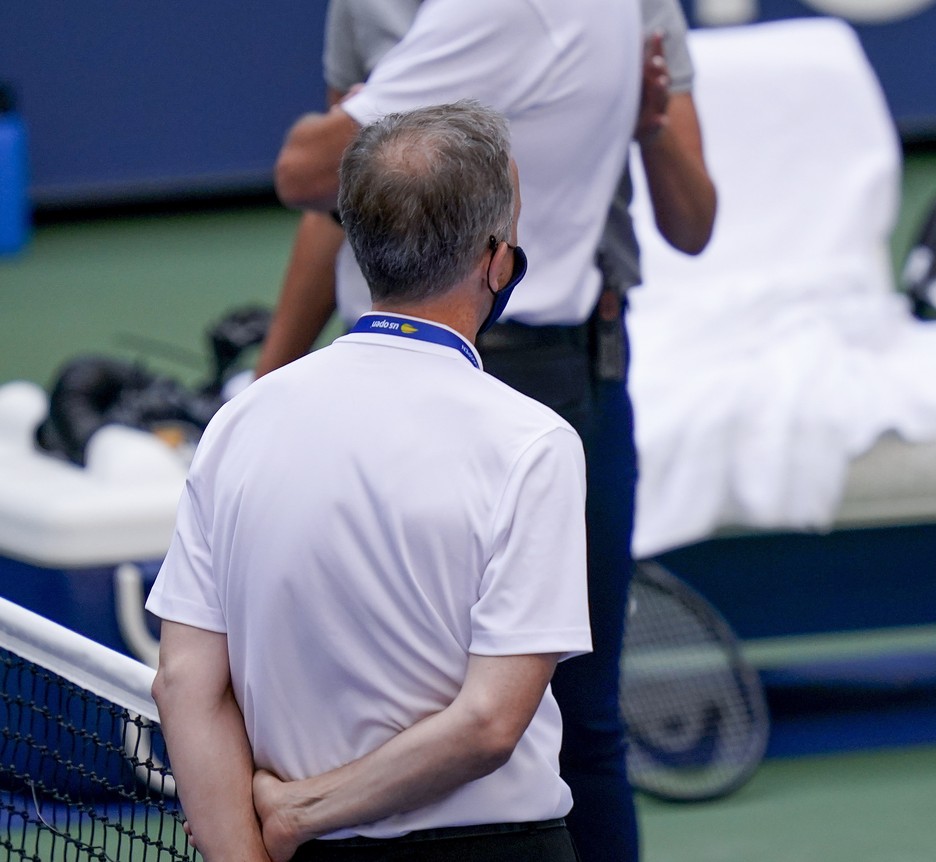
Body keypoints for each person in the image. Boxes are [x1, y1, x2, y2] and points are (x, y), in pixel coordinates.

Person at [258, 3, 714, 859]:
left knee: (571, 728)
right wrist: (260, 394)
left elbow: (305, 169)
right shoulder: (371, 8)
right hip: (401, 365)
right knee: (405, 711)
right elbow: (336, 208)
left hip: (549, 369)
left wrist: (643, 125)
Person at [148, 101, 591, 862]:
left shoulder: (239, 424)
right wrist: (294, 814)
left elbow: (184, 683)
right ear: (497, 262)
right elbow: (490, 724)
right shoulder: (534, 445)